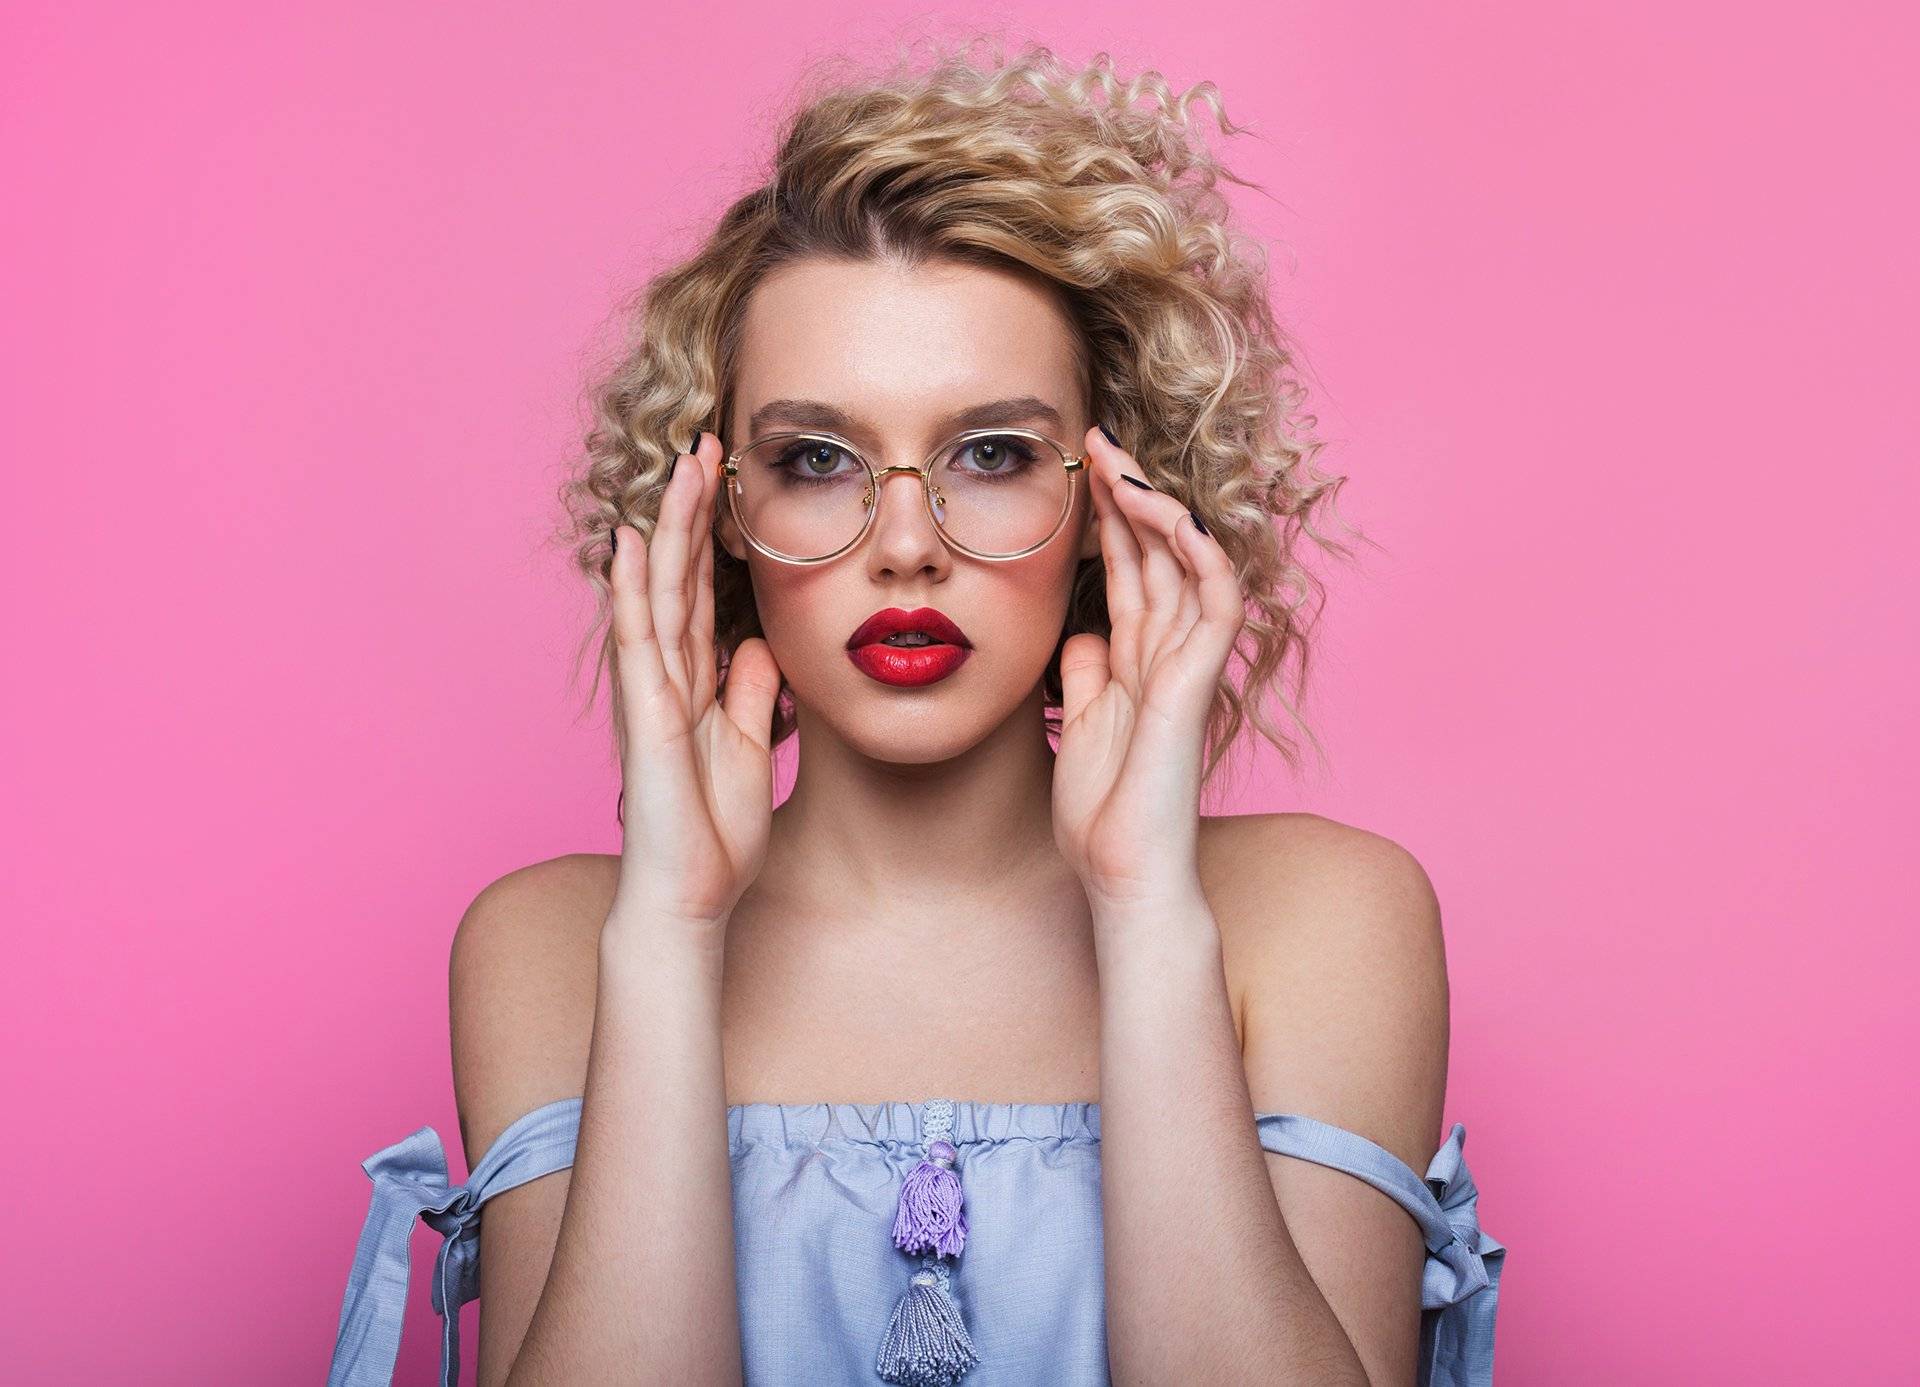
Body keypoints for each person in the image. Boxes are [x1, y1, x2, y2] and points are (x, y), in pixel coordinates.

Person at [327, 39, 1504, 1387]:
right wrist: (670, 930)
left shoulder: (1323, 921)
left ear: (1111, 498)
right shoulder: (550, 946)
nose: (904, 546)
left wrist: (1143, 914)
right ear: (721, 511)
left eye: (991, 453)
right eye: (816, 458)